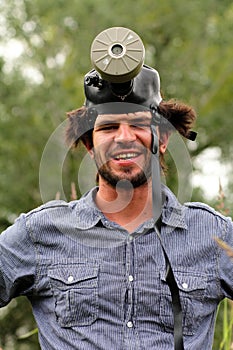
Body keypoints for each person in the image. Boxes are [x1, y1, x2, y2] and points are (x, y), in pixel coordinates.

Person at [1, 27, 233, 350]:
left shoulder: (214, 235)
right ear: (88, 143)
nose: (124, 137)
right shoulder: (40, 233)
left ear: (162, 139)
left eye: (138, 124)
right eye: (109, 127)